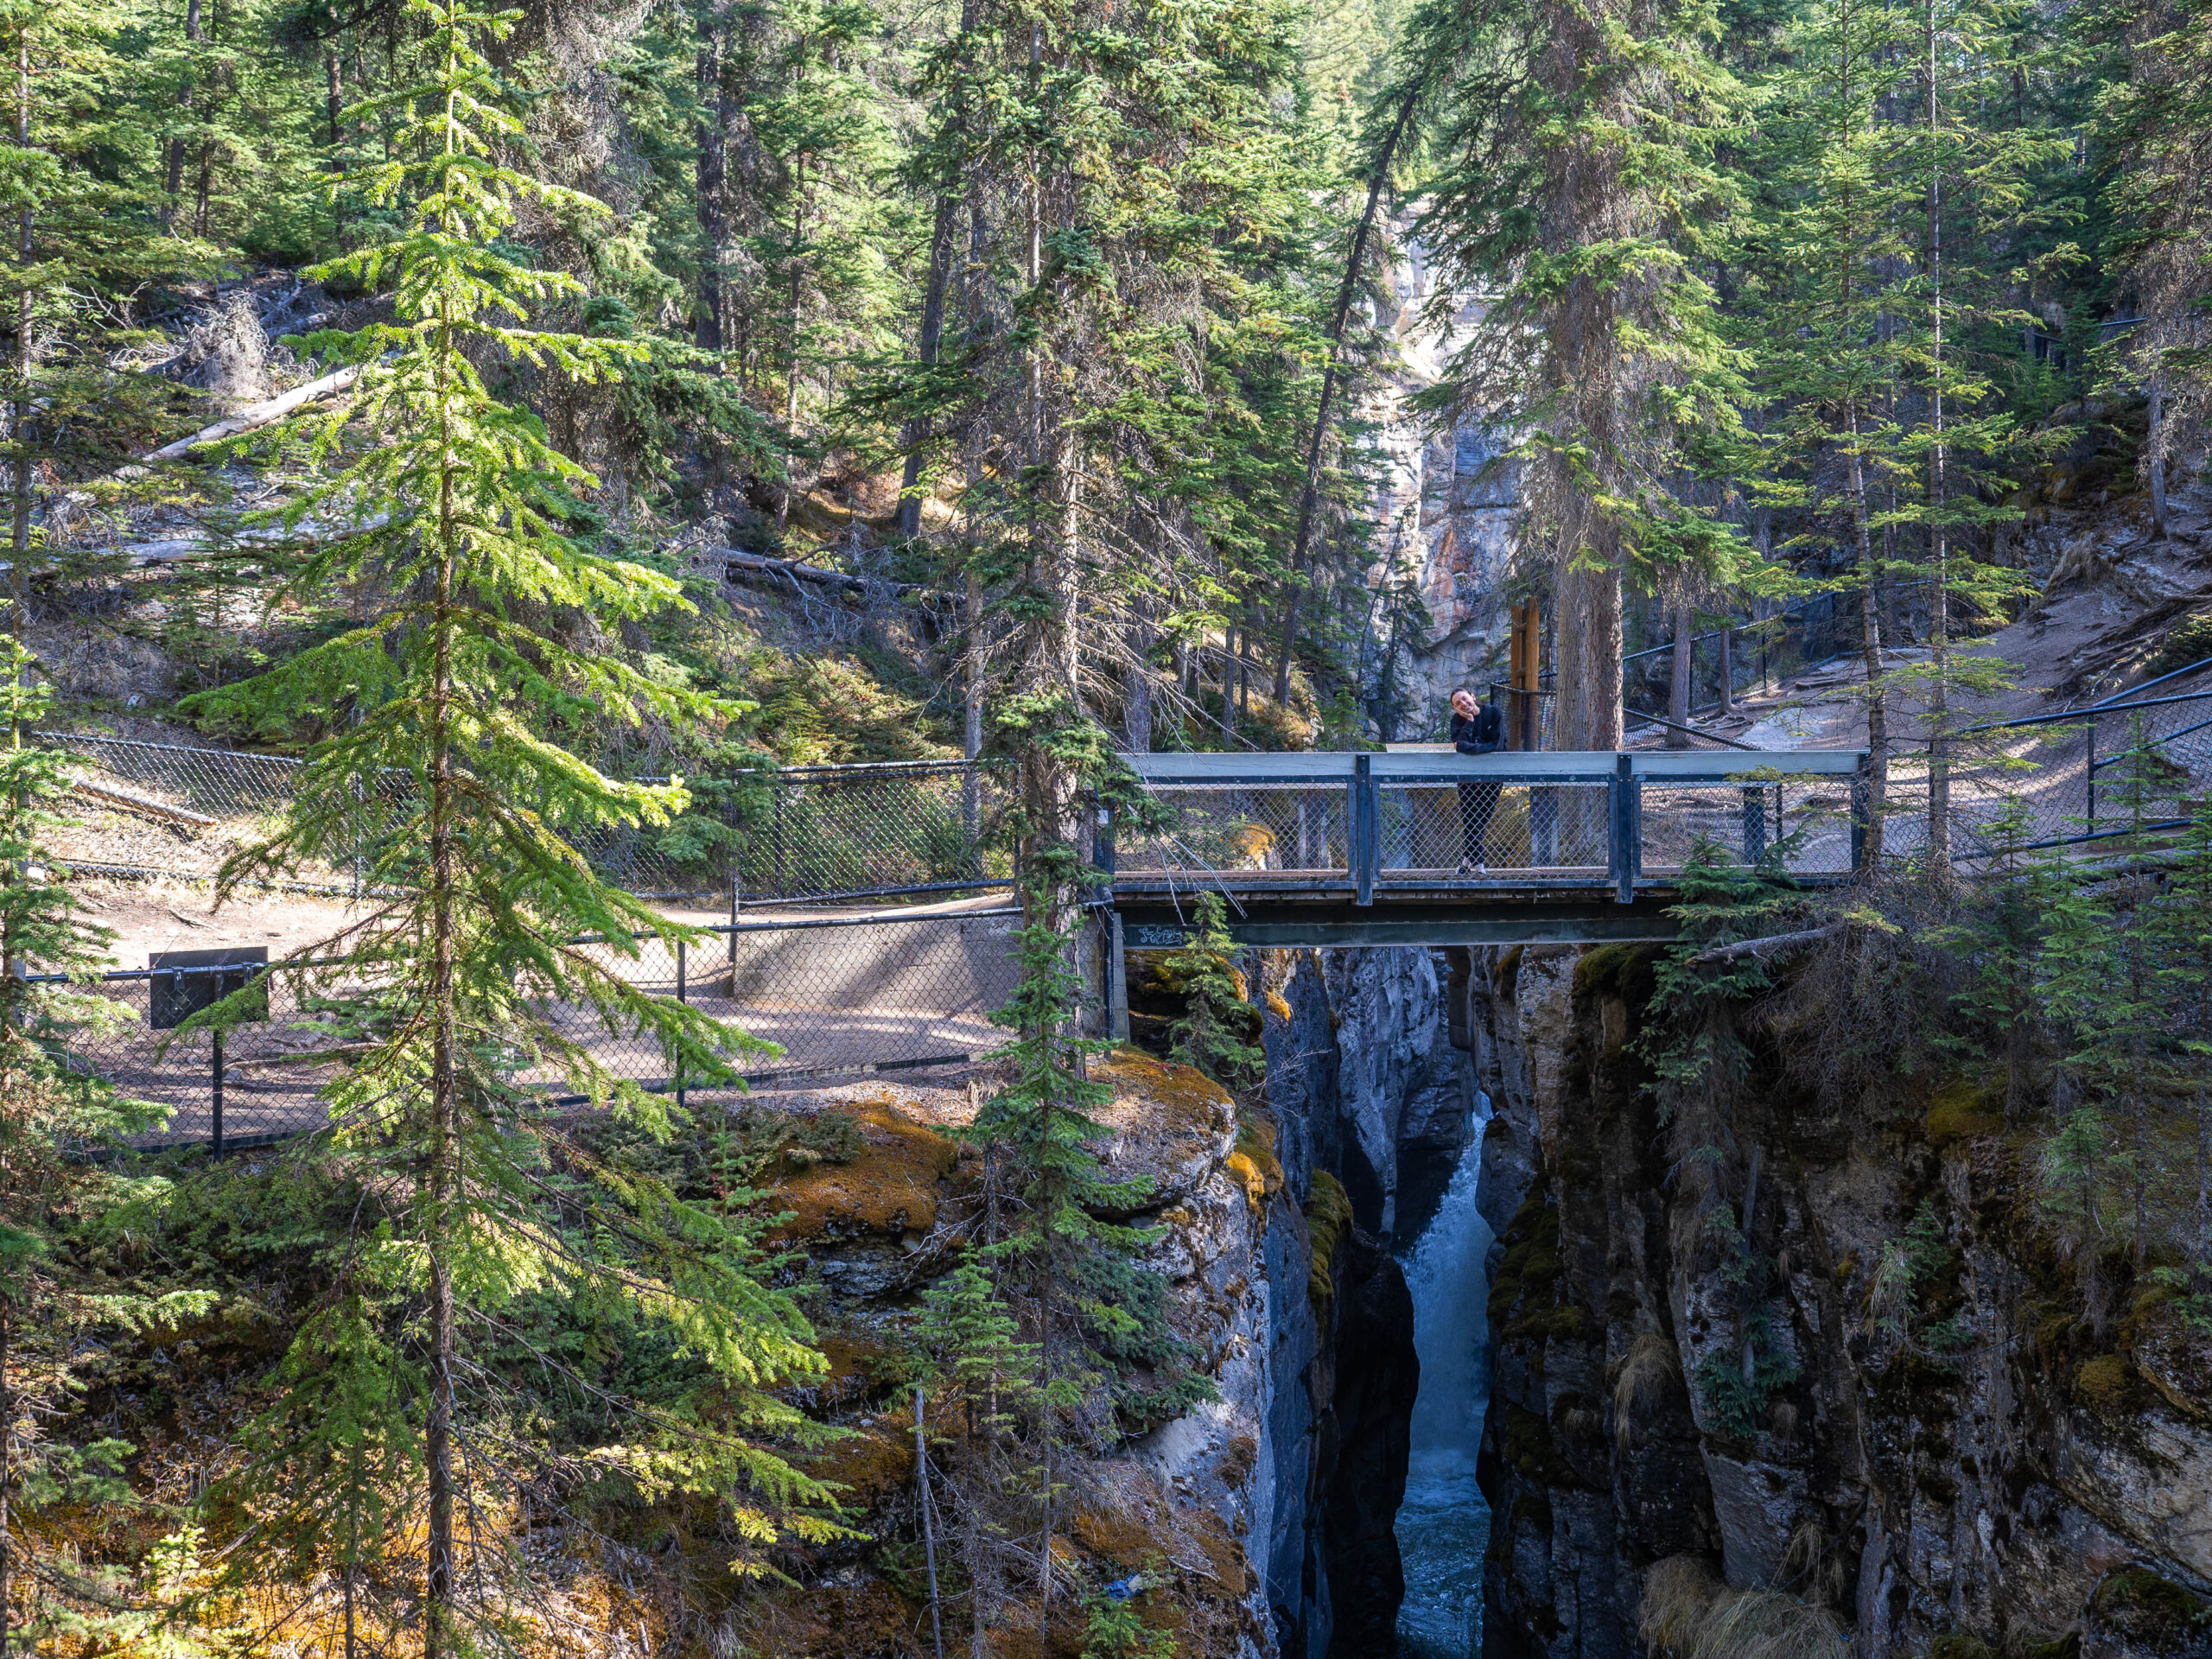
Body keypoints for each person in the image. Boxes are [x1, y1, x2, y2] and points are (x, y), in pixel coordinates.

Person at [1450, 688, 1504, 874]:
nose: (1463, 704)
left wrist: (1471, 748)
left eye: (1464, 699)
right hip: (1467, 779)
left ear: (1473, 697)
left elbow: (1498, 745)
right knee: (1470, 820)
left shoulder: (1493, 712)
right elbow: (1459, 746)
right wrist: (1469, 722)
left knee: (1480, 820)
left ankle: (1466, 863)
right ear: (1456, 709)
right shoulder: (1457, 721)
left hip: (1493, 776)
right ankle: (1479, 864)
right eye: (1458, 704)